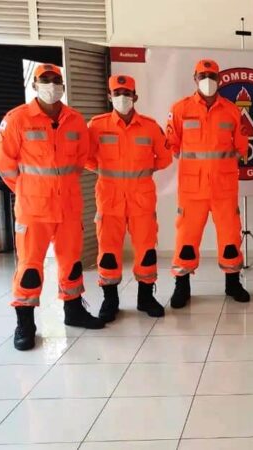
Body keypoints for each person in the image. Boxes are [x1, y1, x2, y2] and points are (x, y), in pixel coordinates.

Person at [0, 63, 104, 351]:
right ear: (35, 85)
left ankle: (74, 311)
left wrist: (58, 189)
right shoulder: (17, 119)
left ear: (63, 85)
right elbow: (3, 163)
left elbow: (80, 162)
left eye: (56, 79)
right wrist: (27, 190)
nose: (51, 85)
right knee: (30, 267)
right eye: (45, 80)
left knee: (71, 262)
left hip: (68, 207)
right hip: (33, 210)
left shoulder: (75, 121)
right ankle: (25, 324)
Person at [86, 75, 172, 322]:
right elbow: (86, 157)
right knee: (108, 250)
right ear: (109, 96)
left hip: (141, 198)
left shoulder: (150, 127)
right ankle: (110, 300)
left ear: (135, 96)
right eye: (117, 93)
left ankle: (145, 298)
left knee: (146, 248)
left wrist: (143, 172)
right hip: (109, 197)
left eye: (127, 93)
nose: (122, 97)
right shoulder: (96, 126)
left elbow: (165, 158)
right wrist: (106, 172)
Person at [167, 59, 250, 307]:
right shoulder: (180, 109)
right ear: (194, 78)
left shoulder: (232, 111)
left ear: (220, 79)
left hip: (224, 187)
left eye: (212, 76)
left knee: (230, 236)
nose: (208, 80)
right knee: (186, 238)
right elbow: (173, 145)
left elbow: (241, 147)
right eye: (203, 76)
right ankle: (182, 286)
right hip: (192, 189)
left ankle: (232, 284)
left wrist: (220, 167)